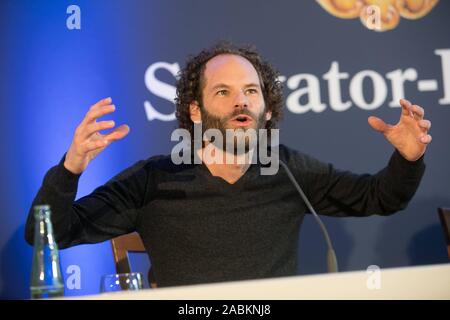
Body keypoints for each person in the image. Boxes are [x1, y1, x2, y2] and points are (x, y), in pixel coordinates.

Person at [25, 42, 431, 288]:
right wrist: (70, 169)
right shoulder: (154, 180)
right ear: (195, 111)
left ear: (267, 109)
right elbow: (49, 235)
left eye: (251, 91)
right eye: (224, 91)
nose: (242, 101)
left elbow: (381, 198)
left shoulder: (287, 169)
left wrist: (408, 158)